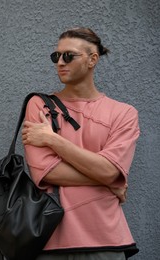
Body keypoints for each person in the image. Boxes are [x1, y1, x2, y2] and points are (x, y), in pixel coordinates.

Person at [21, 27, 140, 259]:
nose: (60, 63)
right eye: (56, 56)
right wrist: (110, 182)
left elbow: (110, 170)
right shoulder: (39, 105)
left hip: (107, 239)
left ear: (92, 59)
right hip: (51, 238)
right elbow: (45, 173)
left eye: (69, 56)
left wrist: (52, 139)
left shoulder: (124, 113)